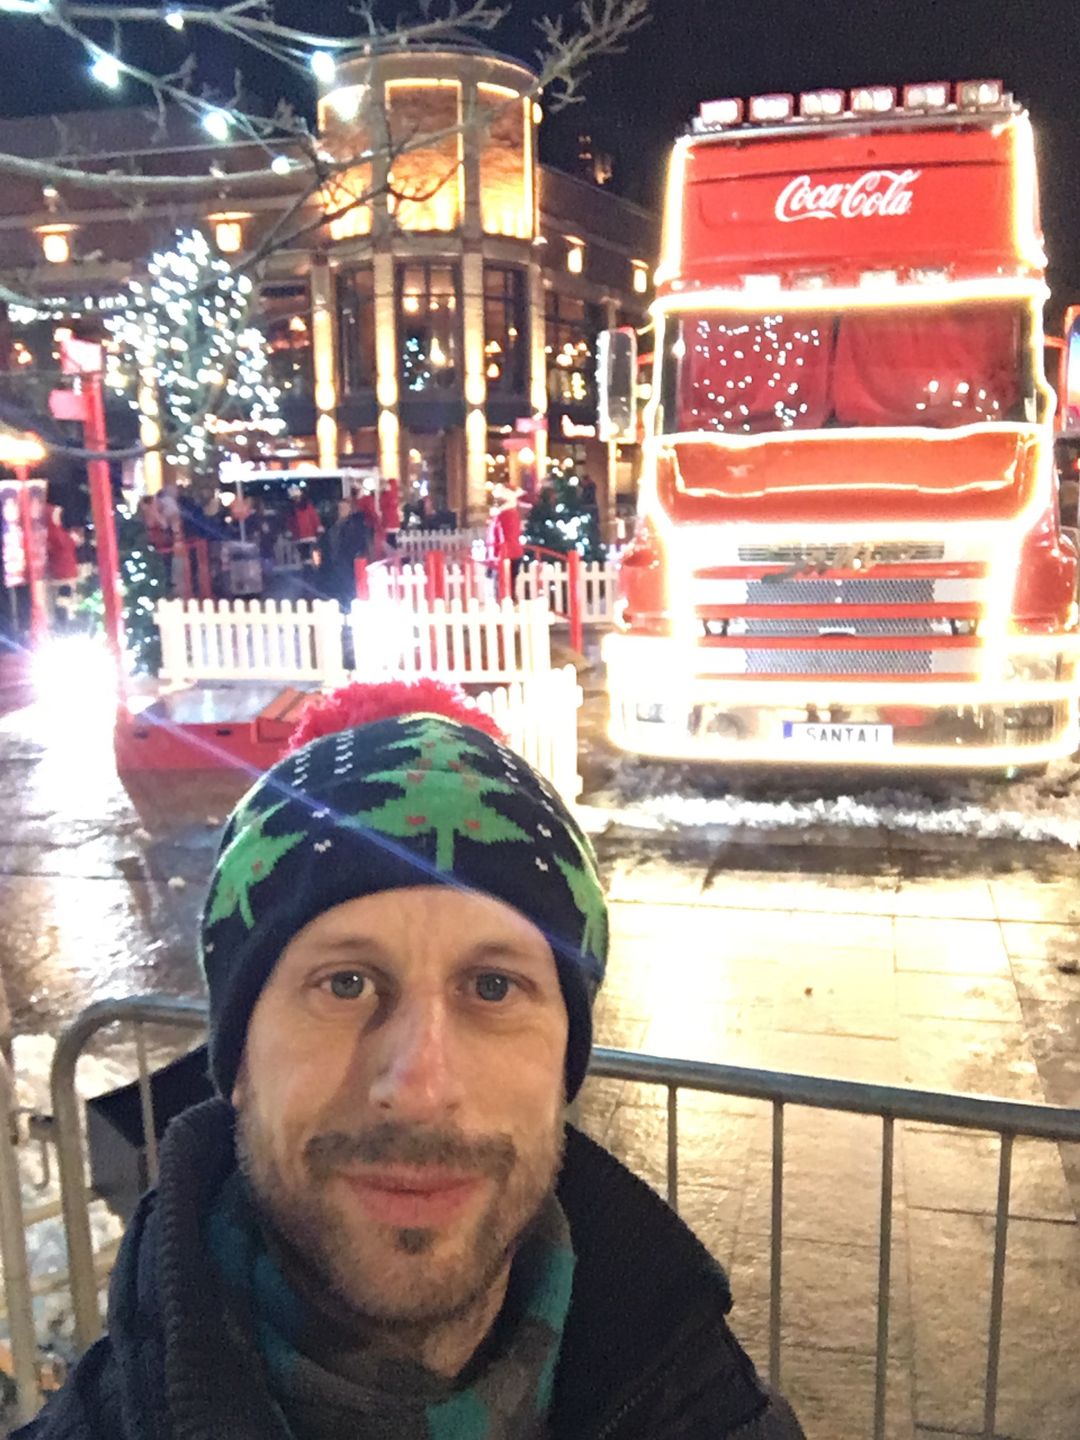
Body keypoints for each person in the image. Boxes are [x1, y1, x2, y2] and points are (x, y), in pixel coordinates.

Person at [18, 688, 805, 1440]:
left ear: (564, 1061)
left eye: (492, 987)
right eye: (345, 984)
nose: (420, 1087)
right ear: (240, 1058)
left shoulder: (722, 1415)